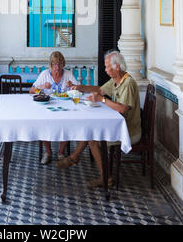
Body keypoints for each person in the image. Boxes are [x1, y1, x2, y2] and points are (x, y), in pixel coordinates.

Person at [56, 50, 141, 188]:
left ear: (117, 66)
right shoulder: (116, 80)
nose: (106, 70)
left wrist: (101, 99)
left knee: (93, 138)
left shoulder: (128, 83)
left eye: (108, 67)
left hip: (129, 130)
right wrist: (80, 87)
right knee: (90, 129)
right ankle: (74, 157)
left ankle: (105, 178)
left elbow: (123, 109)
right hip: (118, 124)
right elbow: (100, 89)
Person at [29, 51, 80, 164]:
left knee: (69, 124)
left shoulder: (68, 74)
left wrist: (72, 86)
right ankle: (48, 152)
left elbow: (78, 90)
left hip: (65, 109)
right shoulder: (45, 74)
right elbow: (31, 90)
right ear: (50, 64)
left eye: (60, 64)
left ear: (63, 64)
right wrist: (41, 87)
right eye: (54, 64)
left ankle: (61, 152)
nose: (57, 67)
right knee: (42, 124)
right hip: (47, 107)